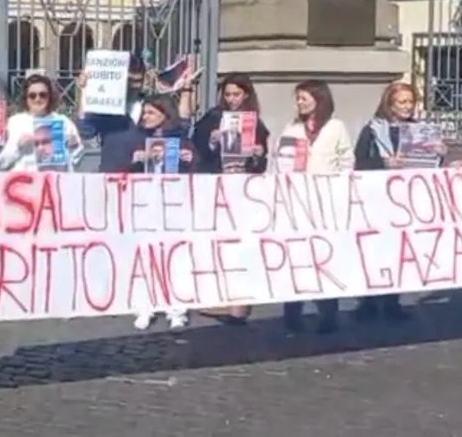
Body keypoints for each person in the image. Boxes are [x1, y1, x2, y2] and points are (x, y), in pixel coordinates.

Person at [352, 82, 444, 323]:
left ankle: (392, 301)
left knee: (398, 252)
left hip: (406, 199)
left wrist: (439, 153)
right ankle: (368, 302)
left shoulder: (421, 130)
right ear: (389, 104)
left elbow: (431, 168)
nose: (407, 107)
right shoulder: (373, 130)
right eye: (401, 102)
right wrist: (384, 164)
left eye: (410, 102)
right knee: (374, 251)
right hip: (377, 198)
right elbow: (360, 163)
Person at [110, 94, 195, 329]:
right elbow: (118, 171)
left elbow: (197, 174)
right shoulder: (135, 140)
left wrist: (188, 160)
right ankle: (143, 306)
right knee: (144, 256)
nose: (145, 117)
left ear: (165, 116)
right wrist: (135, 160)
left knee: (175, 257)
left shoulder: (182, 141)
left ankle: (176, 309)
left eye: (151, 113)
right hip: (143, 205)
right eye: (144, 113)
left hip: (174, 206)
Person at [190, 73, 270, 323]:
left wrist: (258, 153)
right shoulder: (212, 118)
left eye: (237, 94)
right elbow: (197, 149)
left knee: (241, 246)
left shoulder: (255, 122)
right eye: (228, 95)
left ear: (246, 94)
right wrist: (212, 140)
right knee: (218, 244)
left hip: (244, 190)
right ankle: (219, 298)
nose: (232, 99)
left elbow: (263, 158)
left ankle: (240, 304)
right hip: (217, 187)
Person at [275, 79, 353, 334]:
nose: (300, 103)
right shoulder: (292, 127)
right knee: (296, 258)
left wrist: (339, 186)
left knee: (326, 259)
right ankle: (292, 314)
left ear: (319, 100)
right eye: (297, 99)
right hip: (297, 202)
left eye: (304, 98)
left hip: (326, 204)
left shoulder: (336, 127)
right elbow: (279, 159)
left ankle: (328, 314)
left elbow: (346, 160)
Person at [0, 74, 84, 171]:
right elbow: (0, 164)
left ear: (49, 97)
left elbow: (77, 160)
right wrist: (17, 147)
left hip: (53, 182)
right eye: (32, 96)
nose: (38, 99)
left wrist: (73, 146)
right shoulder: (14, 123)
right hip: (22, 183)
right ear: (26, 98)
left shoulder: (64, 122)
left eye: (43, 95)